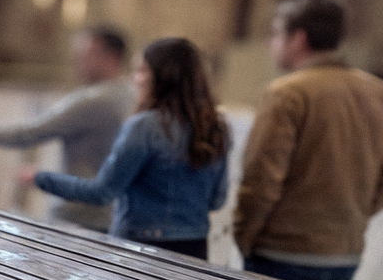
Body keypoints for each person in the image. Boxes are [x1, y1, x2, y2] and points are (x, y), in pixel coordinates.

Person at [235, 0, 383, 280]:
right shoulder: (382, 94)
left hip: (281, 253)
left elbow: (261, 178)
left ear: (298, 38)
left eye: (276, 34)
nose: (271, 45)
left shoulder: (287, 93)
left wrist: (244, 237)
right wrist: (351, 216)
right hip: (344, 256)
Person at [24, 37, 229, 259]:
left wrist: (41, 178)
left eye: (141, 71)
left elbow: (102, 192)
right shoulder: (216, 127)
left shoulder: (145, 126)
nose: (134, 79)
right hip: (195, 248)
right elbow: (217, 199)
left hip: (141, 247)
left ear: (162, 78)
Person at [0, 27, 133, 232]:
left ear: (112, 57)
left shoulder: (96, 100)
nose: (77, 61)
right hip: (108, 213)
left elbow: (27, 133)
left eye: (85, 55)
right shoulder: (129, 94)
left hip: (78, 216)